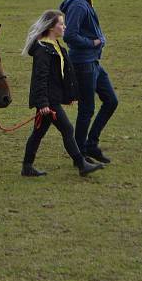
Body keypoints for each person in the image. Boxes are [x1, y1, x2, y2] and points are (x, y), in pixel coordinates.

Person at [21, 10, 103, 177]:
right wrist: (43, 104)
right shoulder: (43, 50)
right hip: (48, 101)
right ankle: (81, 164)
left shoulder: (55, 46)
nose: (64, 26)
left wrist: (69, 95)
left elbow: (62, 75)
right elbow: (40, 78)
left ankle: (27, 167)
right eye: (61, 23)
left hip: (52, 98)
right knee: (67, 128)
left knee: (38, 133)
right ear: (51, 27)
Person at [60, 0, 118, 164]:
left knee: (111, 101)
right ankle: (80, 154)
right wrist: (93, 42)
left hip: (93, 61)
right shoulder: (77, 4)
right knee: (86, 109)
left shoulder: (84, 0)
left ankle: (91, 145)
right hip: (83, 63)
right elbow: (69, 36)